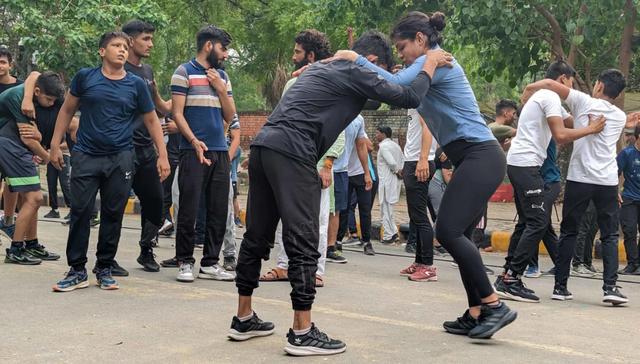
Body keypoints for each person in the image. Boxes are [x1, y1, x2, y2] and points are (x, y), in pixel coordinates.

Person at [228, 26, 450, 354]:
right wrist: (429, 63)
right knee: (304, 241)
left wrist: (397, 74)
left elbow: (375, 99)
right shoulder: (357, 68)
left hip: (264, 147)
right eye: (383, 69)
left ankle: (243, 317)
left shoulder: (326, 68)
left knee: (256, 235)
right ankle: (302, 332)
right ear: (372, 60)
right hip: (293, 151)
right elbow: (408, 97)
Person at [337, 11, 518, 338]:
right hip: (473, 159)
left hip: (480, 156)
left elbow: (394, 86)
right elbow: (399, 83)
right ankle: (476, 311)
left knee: (448, 232)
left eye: (403, 46)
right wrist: (397, 70)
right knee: (461, 235)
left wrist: (354, 58)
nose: (402, 52)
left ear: (421, 39)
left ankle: (494, 306)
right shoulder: (425, 65)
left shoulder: (438, 62)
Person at [50, 31, 170, 292]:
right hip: (86, 155)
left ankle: (104, 267)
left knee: (113, 214)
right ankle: (77, 270)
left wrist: (162, 154)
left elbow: (151, 120)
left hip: (121, 157)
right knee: (81, 211)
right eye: (116, 46)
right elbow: (67, 109)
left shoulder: (136, 85)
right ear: (102, 51)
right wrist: (55, 143)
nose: (122, 50)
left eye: (125, 47)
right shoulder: (86, 77)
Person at [495, 61, 605, 303]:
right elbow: (562, 135)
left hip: (522, 164)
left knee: (527, 221)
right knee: (538, 221)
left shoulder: (545, 96)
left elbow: (572, 122)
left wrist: (605, 117)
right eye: (571, 84)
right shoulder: (549, 97)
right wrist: (592, 130)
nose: (571, 89)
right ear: (563, 79)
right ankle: (511, 278)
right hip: (525, 164)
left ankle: (506, 275)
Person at [521, 68, 628, 304]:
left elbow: (549, 83)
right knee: (609, 235)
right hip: (607, 182)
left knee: (569, 231)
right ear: (618, 94)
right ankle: (610, 287)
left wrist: (529, 90)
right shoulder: (619, 117)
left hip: (579, 179)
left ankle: (560, 287)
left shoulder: (582, 101)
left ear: (598, 86)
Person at [259, 29, 342, 286]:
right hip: (291, 161)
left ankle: (315, 270)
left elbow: (338, 127)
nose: (294, 57)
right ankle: (284, 265)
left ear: (311, 55)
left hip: (317, 165)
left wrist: (327, 164)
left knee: (317, 220)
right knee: (287, 216)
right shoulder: (292, 84)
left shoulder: (332, 83)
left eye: (297, 52)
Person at [171, 25, 236, 283]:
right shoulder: (183, 72)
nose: (226, 54)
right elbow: (177, 113)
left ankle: (210, 263)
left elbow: (230, 116)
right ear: (208, 45)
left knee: (218, 209)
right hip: (192, 151)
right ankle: (185, 261)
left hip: (219, 151)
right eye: (223, 48)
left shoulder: (223, 77)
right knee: (188, 208)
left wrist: (221, 88)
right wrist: (193, 140)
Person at [122, 19, 173, 273]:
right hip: (121, 148)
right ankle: (104, 258)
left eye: (151, 39)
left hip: (145, 148)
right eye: (146, 39)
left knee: (155, 201)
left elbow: (159, 108)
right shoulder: (117, 69)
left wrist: (184, 96)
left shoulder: (148, 71)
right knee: (114, 203)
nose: (150, 44)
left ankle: (146, 249)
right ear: (130, 41)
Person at [0, 72, 64, 264]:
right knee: (35, 197)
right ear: (37, 91)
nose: (52, 104)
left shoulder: (30, 94)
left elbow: (35, 74)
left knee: (29, 198)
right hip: (9, 145)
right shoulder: (18, 98)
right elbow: (28, 137)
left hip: (13, 145)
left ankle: (31, 244)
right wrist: (49, 158)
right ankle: (16, 249)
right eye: (49, 99)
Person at [0, 49, 40, 239]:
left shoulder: (22, 87)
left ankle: (8, 221)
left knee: (13, 184)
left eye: (2, 62)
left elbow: (35, 74)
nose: (0, 66)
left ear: (10, 65)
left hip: (14, 143)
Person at [399, 109, 438, 281]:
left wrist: (423, 159)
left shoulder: (424, 100)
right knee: (415, 216)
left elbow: (428, 127)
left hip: (418, 161)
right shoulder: (414, 103)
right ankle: (419, 262)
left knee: (420, 217)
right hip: (413, 160)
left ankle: (428, 267)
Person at [617, 125, 640, 275]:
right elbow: (614, 172)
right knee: (630, 231)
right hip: (629, 198)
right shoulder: (627, 153)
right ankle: (632, 263)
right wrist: (615, 191)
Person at [375, 126, 403, 245]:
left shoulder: (384, 146)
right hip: (394, 182)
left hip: (387, 182)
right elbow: (402, 160)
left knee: (385, 209)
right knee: (389, 209)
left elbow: (391, 162)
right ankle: (393, 233)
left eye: (377, 133)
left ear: (383, 134)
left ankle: (388, 236)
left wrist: (397, 170)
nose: (376, 135)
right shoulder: (396, 146)